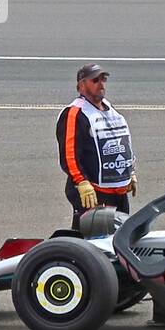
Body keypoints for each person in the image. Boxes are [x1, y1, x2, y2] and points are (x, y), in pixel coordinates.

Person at [56, 63, 138, 229]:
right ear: (81, 86)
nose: (101, 84)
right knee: (92, 244)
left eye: (103, 79)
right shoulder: (75, 113)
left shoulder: (109, 108)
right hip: (93, 194)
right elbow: (69, 154)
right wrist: (81, 182)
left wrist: (131, 172)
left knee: (117, 241)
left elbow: (121, 139)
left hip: (118, 193)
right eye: (95, 80)